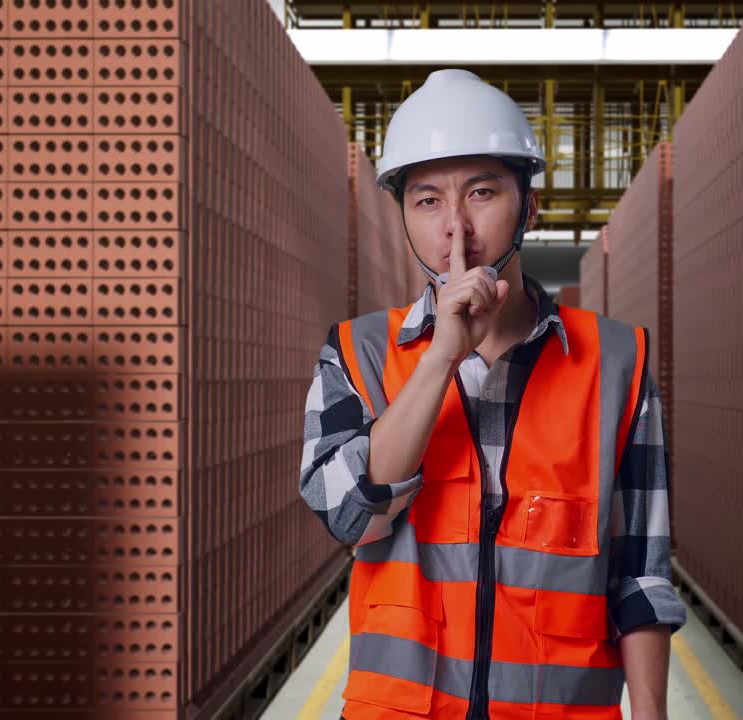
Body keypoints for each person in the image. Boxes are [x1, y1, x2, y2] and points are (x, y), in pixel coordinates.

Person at [299, 68, 685, 720]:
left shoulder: (617, 362)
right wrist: (440, 357)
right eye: (426, 201)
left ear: (528, 205)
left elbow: (641, 572)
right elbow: (350, 517)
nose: (456, 228)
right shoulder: (359, 353)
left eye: (481, 192)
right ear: (403, 220)